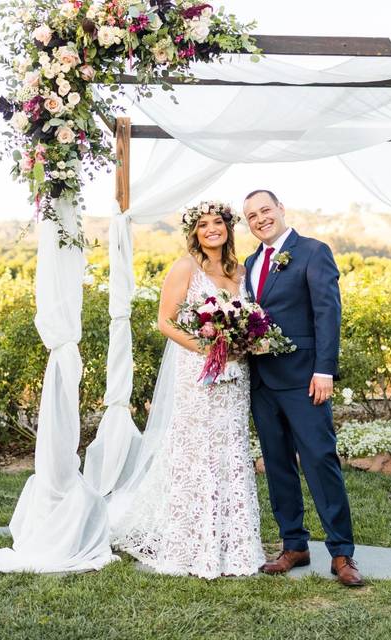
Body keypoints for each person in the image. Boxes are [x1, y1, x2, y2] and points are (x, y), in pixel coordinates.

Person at [111, 201, 266, 579]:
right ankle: (192, 541)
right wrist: (207, 349)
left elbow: (249, 319)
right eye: (203, 225)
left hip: (235, 376)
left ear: (229, 228)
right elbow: (165, 321)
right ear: (194, 232)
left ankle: (234, 542)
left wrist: (243, 343)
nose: (212, 229)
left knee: (230, 448)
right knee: (197, 451)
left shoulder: (241, 270)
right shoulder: (186, 267)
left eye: (218, 223)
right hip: (199, 373)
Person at [242, 189, 363, 587]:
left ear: (280, 209)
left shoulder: (312, 251)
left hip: (305, 379)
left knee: (320, 460)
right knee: (276, 464)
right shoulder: (249, 262)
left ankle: (342, 552)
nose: (259, 219)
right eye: (251, 216)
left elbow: (327, 311)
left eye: (265, 210)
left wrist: (324, 370)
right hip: (262, 381)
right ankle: (293, 544)